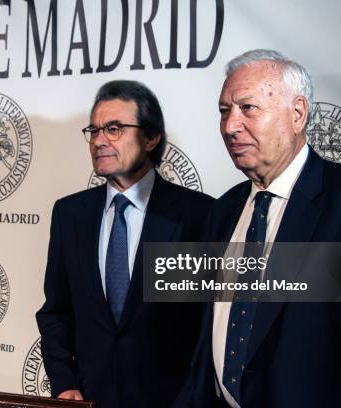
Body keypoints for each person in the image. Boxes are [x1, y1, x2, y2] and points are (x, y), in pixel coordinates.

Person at [175, 49, 341, 408]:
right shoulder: (223, 211)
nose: (230, 126)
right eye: (224, 111)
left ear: (297, 114)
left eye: (248, 108)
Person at [36, 80, 214, 408]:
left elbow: (208, 327)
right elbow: (57, 313)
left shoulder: (198, 215)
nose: (99, 140)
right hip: (91, 399)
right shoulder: (70, 214)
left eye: (114, 128)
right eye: (95, 130)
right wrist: (64, 384)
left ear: (151, 137)